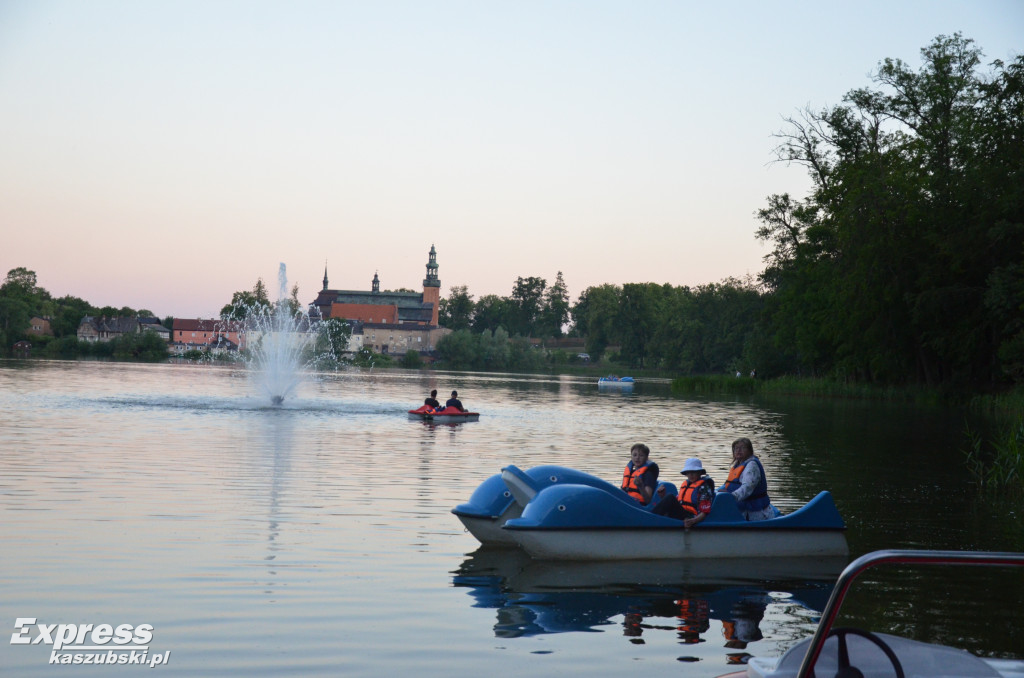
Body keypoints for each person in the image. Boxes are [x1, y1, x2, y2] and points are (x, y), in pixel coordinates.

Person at [720, 437, 775, 521]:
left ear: (750, 451)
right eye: (736, 448)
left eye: (743, 448)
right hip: (742, 510)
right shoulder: (737, 465)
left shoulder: (752, 466)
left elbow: (747, 488)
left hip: (755, 513)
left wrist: (730, 497)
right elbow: (728, 485)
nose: (738, 450)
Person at [652, 457, 715, 528]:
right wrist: (662, 496)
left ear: (699, 472)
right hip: (682, 514)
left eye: (693, 472)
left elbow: (704, 512)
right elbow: (678, 503)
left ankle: (650, 519)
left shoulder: (704, 487)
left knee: (670, 497)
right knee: (669, 498)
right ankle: (651, 518)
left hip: (691, 517)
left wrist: (693, 521)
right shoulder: (686, 484)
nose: (690, 475)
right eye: (688, 472)